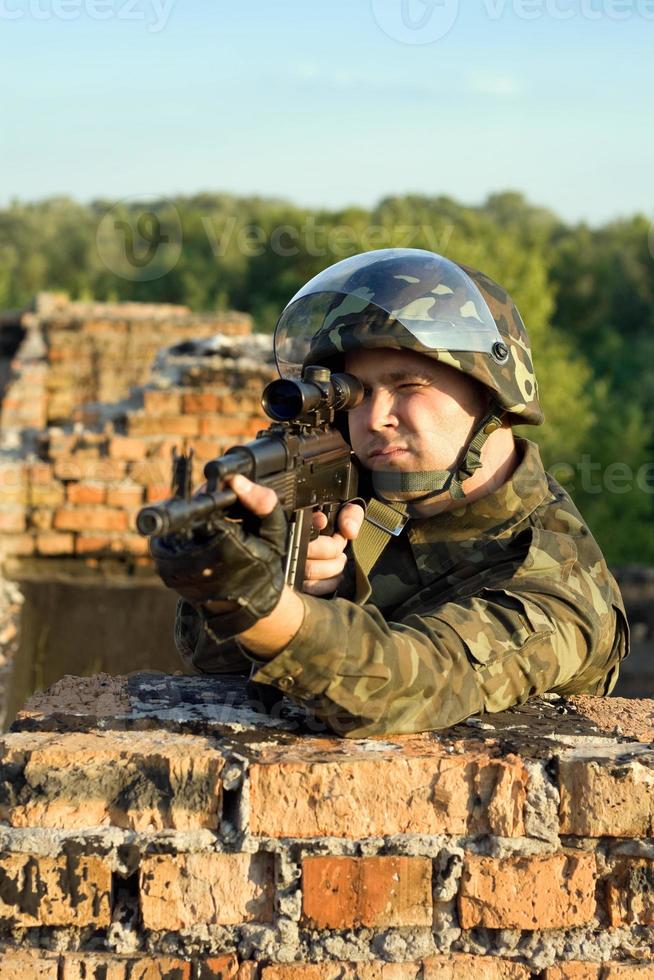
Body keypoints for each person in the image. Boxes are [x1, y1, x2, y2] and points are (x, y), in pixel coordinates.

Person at [154, 249, 629, 736]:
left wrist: (267, 609)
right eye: (357, 393)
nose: (375, 418)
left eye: (407, 385)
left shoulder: (557, 577)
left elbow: (413, 682)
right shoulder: (369, 501)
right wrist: (268, 571)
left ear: (491, 395)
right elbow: (215, 665)